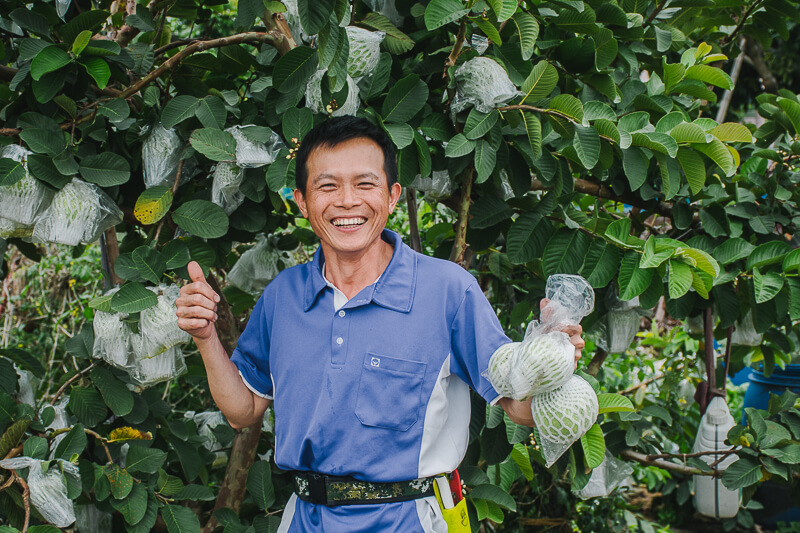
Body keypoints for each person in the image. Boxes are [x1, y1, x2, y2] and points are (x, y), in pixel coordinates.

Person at [175, 116, 584, 532]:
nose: (347, 201)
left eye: (365, 184)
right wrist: (206, 337)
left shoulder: (448, 292)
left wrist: (551, 365)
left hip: (410, 519)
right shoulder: (283, 296)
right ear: (301, 201)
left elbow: (518, 407)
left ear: (391, 197)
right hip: (304, 519)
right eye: (328, 186)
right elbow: (243, 411)